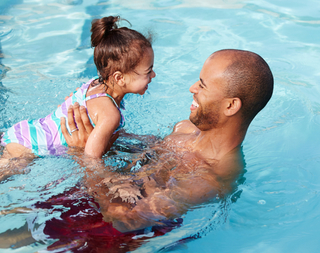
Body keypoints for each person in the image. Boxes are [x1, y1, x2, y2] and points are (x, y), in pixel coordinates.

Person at [59, 49, 274, 233]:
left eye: (202, 85)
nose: (192, 88)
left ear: (231, 106)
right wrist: (98, 130)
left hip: (108, 235)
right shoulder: (184, 128)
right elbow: (141, 152)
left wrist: (83, 156)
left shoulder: (208, 179)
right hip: (98, 193)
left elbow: (125, 221)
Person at [0, 16, 156, 166]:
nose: (153, 75)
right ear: (120, 78)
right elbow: (91, 159)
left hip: (27, 130)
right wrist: (113, 181)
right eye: (148, 71)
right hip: (27, 148)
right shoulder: (110, 115)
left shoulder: (95, 84)